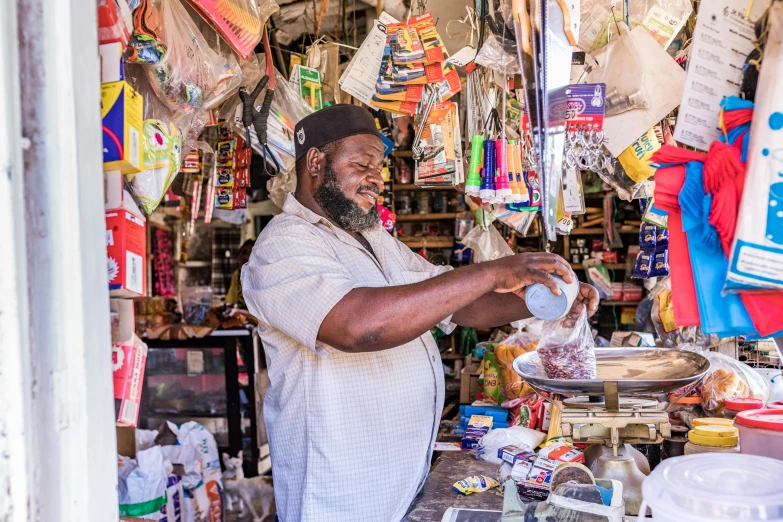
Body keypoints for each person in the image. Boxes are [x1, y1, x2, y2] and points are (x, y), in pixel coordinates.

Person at [242, 105, 599, 522]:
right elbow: (361, 328)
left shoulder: (375, 240)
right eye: (361, 164)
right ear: (316, 162)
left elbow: (461, 303)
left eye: (380, 166)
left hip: (402, 480)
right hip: (339, 492)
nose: (376, 177)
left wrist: (547, 297)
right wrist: (493, 270)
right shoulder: (283, 245)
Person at [225, 239, 255, 309]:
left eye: (251, 255)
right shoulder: (237, 274)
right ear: (238, 256)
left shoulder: (260, 278)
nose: (246, 257)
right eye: (244, 253)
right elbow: (230, 302)